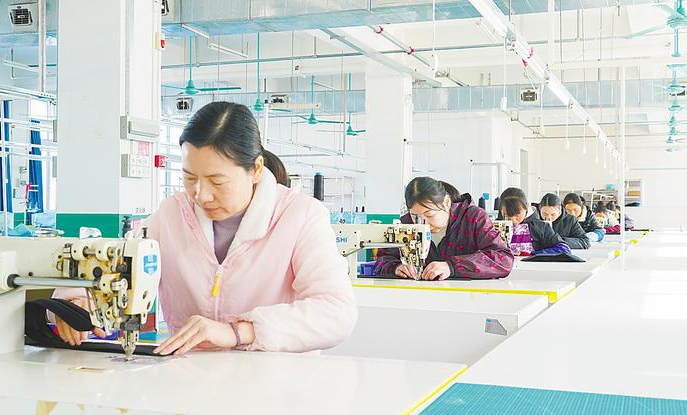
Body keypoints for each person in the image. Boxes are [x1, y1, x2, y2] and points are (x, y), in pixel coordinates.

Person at [52, 101, 357, 355]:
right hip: (191, 376)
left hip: (276, 381)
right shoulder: (171, 215)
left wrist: (239, 332)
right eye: (189, 178)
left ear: (255, 169)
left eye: (216, 181)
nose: (201, 195)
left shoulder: (300, 216)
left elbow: (336, 313)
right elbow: (114, 266)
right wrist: (74, 302)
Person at [374, 177, 513, 280]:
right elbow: (383, 259)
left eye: (429, 214)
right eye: (416, 217)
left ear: (446, 202)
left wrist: (452, 266)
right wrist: (396, 267)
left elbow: (503, 259)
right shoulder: (407, 224)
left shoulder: (473, 218)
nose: (423, 224)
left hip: (469, 298)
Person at [499, 190, 571, 256]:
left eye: (517, 214)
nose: (513, 220)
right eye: (507, 215)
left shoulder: (540, 227)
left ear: (526, 208)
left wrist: (534, 254)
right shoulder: (495, 227)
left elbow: (564, 249)